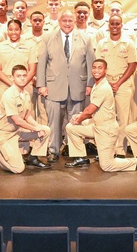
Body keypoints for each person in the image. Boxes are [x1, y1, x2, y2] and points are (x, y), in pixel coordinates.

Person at [37, 10, 95, 161]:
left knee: (75, 121)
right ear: (59, 22)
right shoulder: (47, 38)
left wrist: (90, 84)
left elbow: (90, 63)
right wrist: (41, 85)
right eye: (64, 21)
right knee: (54, 122)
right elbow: (42, 63)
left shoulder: (85, 38)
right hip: (54, 87)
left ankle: (74, 151)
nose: (67, 24)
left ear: (74, 21)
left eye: (70, 21)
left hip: (78, 87)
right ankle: (53, 150)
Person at [64, 59, 137, 172]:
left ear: (105, 70)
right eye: (94, 67)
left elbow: (90, 110)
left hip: (106, 130)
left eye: (100, 68)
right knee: (71, 127)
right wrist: (79, 116)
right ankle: (80, 158)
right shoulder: (96, 85)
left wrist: (79, 119)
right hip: (96, 126)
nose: (96, 70)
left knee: (107, 166)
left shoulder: (104, 87)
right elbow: (93, 111)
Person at [0, 64, 53, 173]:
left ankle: (33, 157)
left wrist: (37, 126)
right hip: (5, 134)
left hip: (18, 131)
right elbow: (17, 120)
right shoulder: (9, 95)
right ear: (12, 78)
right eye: (18, 76)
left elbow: (27, 116)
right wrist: (34, 128)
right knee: (18, 169)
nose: (22, 78)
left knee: (45, 130)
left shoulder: (25, 93)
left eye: (24, 76)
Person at [96, 15, 137, 156]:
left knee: (123, 117)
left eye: (117, 23)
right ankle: (105, 149)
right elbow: (99, 65)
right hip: (106, 83)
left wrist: (118, 83)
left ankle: (120, 149)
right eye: (112, 24)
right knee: (105, 118)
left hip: (123, 83)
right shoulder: (102, 44)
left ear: (121, 25)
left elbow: (132, 65)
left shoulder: (128, 43)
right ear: (108, 25)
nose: (114, 26)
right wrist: (108, 83)